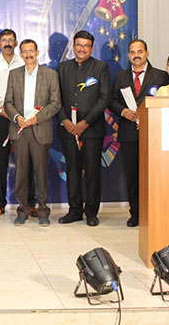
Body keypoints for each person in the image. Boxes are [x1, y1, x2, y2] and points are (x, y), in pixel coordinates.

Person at [109, 39, 169, 227]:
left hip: (153, 133)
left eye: (140, 51)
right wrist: (123, 111)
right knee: (132, 176)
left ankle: (155, 212)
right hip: (129, 133)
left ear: (147, 53)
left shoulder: (161, 76)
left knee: (154, 175)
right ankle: (135, 213)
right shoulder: (120, 77)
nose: (136, 55)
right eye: (132, 52)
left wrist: (148, 115)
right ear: (128, 55)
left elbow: (167, 102)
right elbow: (111, 101)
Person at [4, 40, 61, 226]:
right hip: (20, 130)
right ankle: (22, 210)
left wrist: (37, 118)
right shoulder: (14, 74)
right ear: (20, 54)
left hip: (40, 128)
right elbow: (8, 102)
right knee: (21, 173)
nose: (28, 54)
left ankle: (43, 210)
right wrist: (16, 117)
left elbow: (55, 103)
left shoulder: (50, 74)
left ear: (37, 52)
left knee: (41, 173)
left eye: (31, 51)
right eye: (24, 51)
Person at [57, 30, 111, 227]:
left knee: (92, 171)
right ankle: (75, 210)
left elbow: (104, 98)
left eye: (86, 46)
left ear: (92, 48)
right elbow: (56, 98)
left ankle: (91, 212)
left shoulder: (101, 67)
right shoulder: (63, 68)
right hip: (68, 129)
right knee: (72, 170)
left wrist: (85, 122)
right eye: (78, 45)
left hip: (92, 129)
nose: (82, 49)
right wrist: (65, 120)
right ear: (73, 46)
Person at [0, 29, 37, 218]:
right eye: (4, 40)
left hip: (23, 118)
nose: (7, 43)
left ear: (15, 43)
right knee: (0, 162)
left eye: (10, 40)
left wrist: (18, 115)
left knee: (26, 161)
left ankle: (29, 203)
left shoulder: (23, 61)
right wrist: (6, 112)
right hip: (1, 117)